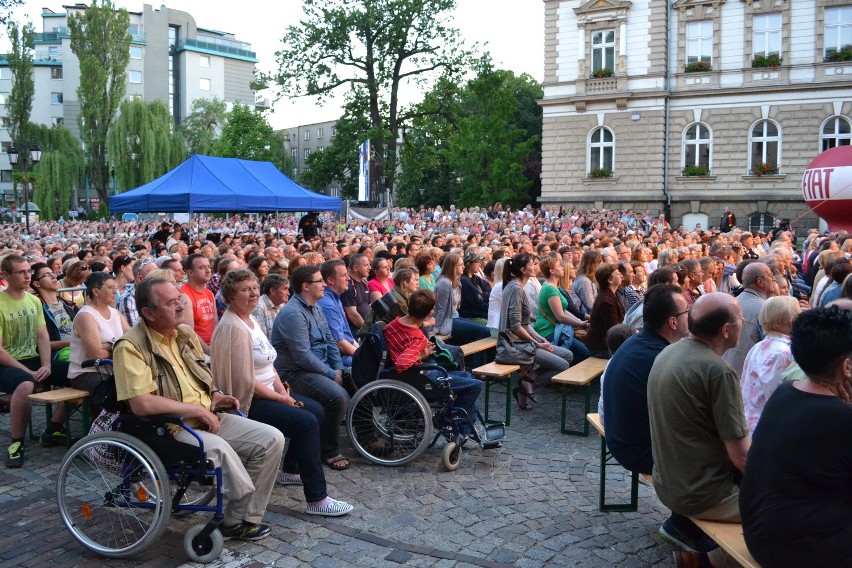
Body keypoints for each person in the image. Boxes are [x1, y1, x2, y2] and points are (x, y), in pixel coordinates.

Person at [113, 277, 284, 540]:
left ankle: (238, 519)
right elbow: (141, 403)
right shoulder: (131, 346)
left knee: (272, 438)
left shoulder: (183, 334)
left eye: (179, 300)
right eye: (171, 303)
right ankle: (241, 505)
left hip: (206, 416)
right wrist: (196, 411)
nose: (181, 307)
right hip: (170, 427)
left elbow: (201, 374)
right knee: (219, 449)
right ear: (148, 313)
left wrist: (215, 394)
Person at [210, 270, 353, 517]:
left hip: (271, 391)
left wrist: (281, 389)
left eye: (255, 288)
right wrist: (282, 398)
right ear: (231, 295)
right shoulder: (232, 327)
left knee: (316, 410)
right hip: (248, 401)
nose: (253, 293)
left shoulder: (250, 320)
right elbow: (244, 380)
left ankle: (291, 469)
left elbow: (268, 363)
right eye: (245, 289)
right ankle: (317, 499)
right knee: (307, 420)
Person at [601, 284, 713, 552]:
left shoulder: (640, 342)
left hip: (623, 438)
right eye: (688, 311)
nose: (692, 316)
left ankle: (686, 521)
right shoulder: (660, 356)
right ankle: (685, 524)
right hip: (638, 449)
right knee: (723, 453)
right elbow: (689, 419)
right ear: (673, 322)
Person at [739, 306, 852, 568]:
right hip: (799, 548)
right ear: (846, 366)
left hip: (760, 530)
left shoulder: (785, 392)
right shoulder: (842, 419)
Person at [648, 293, 750, 568]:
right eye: (741, 320)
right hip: (702, 495)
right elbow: (741, 456)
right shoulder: (718, 371)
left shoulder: (669, 351)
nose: (744, 323)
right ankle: (710, 562)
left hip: (667, 481)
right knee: (789, 512)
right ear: (726, 330)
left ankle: (698, 556)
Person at [271, 265, 351, 471]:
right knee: (338, 396)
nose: (324, 284)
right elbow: (302, 357)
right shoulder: (293, 314)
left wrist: (338, 368)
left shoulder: (315, 307)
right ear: (306, 286)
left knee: (357, 377)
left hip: (318, 367)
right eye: (319, 281)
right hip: (293, 373)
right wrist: (331, 373)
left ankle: (366, 438)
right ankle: (329, 449)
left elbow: (330, 341)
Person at [0, 255, 72, 463]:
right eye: (21, 272)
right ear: (5, 275)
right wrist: (29, 372)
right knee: (25, 384)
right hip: (6, 363)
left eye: (28, 271)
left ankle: (54, 428)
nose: (26, 276)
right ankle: (17, 442)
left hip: (33, 359)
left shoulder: (33, 300)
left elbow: (42, 336)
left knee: (79, 373)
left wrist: (47, 364)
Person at [383, 289, 484, 437]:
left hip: (419, 373)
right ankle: (450, 420)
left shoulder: (394, 323)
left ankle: (465, 426)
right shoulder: (416, 337)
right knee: (476, 385)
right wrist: (421, 354)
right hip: (422, 376)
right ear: (430, 313)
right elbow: (402, 364)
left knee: (466, 376)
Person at [496, 253, 573, 409]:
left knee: (568, 354)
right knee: (562, 365)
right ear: (524, 270)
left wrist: (539, 339)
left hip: (521, 342)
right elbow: (515, 326)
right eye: (532, 264)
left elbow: (525, 324)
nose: (536, 267)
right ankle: (526, 385)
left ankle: (527, 381)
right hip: (513, 345)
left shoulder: (516, 286)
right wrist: (536, 343)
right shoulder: (516, 289)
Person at [739, 295, 801, 431]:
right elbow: (777, 398)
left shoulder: (760, 346)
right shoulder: (782, 352)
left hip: (751, 423)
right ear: (792, 322)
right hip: (765, 427)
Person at [67, 271, 130, 393]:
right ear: (95, 291)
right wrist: (118, 347)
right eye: (110, 288)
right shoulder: (86, 316)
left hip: (111, 370)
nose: (114, 292)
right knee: (124, 390)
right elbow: (95, 354)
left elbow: (131, 339)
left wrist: (107, 345)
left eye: (115, 288)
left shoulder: (115, 313)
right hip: (86, 373)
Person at [533, 256, 590, 363]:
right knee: (584, 353)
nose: (563, 268)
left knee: (582, 351)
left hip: (556, 329)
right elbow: (560, 316)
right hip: (548, 330)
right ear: (552, 271)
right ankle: (564, 375)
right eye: (559, 266)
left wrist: (580, 322)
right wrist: (581, 324)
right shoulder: (550, 289)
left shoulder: (552, 287)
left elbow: (563, 310)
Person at [722, 262, 774, 377]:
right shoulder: (765, 308)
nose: (773, 279)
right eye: (770, 275)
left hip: (727, 369)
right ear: (760, 282)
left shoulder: (731, 302)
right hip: (748, 375)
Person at [429, 253, 490, 348]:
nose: (464, 266)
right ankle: (477, 362)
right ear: (452, 266)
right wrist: (434, 330)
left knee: (486, 328)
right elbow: (441, 309)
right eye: (461, 265)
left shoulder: (455, 281)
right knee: (483, 331)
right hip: (447, 320)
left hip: (455, 317)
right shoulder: (444, 283)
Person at [29, 262, 75, 363]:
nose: (54, 276)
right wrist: (72, 342)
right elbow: (39, 344)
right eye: (47, 275)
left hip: (78, 346)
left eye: (52, 273)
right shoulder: (37, 308)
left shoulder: (68, 304)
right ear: (36, 283)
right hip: (59, 353)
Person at [317, 259, 359, 367]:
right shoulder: (327, 305)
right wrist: (361, 357)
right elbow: (340, 344)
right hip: (340, 360)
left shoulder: (336, 298)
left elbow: (347, 336)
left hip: (348, 353)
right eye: (344, 275)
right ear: (331, 280)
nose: (348, 278)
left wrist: (361, 351)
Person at [359, 267, 423, 334]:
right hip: (378, 338)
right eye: (415, 280)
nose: (418, 283)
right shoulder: (398, 301)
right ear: (406, 283)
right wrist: (427, 323)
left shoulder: (396, 294)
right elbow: (412, 323)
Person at [585, 263, 626, 357]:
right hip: (601, 348)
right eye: (618, 274)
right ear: (610, 280)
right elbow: (614, 331)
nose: (621, 276)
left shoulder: (611, 294)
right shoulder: (606, 301)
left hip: (607, 343)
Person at [180, 254, 218, 353]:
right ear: (190, 272)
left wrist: (216, 345)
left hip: (214, 345)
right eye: (202, 267)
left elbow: (215, 322)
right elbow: (189, 332)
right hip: (197, 350)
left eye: (208, 266)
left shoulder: (209, 293)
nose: (208, 270)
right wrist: (209, 351)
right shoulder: (184, 295)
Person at [119, 257, 157, 327]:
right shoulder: (128, 299)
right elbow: (135, 331)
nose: (160, 277)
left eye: (159, 272)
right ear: (140, 278)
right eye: (155, 274)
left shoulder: (162, 293)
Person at [340, 253, 370, 336]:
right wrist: (368, 331)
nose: (369, 268)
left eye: (369, 264)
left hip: (366, 325)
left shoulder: (364, 283)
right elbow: (352, 315)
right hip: (355, 330)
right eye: (366, 265)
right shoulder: (349, 286)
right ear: (356, 268)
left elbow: (369, 306)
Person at [251, 273, 289, 338]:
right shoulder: (259, 307)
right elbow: (262, 339)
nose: (288, 293)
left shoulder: (282, 304)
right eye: (285, 289)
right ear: (273, 291)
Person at [459, 250, 491, 322]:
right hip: (471, 316)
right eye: (477, 262)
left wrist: (482, 295)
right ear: (469, 264)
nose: (480, 265)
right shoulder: (463, 280)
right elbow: (477, 302)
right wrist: (483, 296)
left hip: (482, 313)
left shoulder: (476, 278)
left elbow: (490, 292)